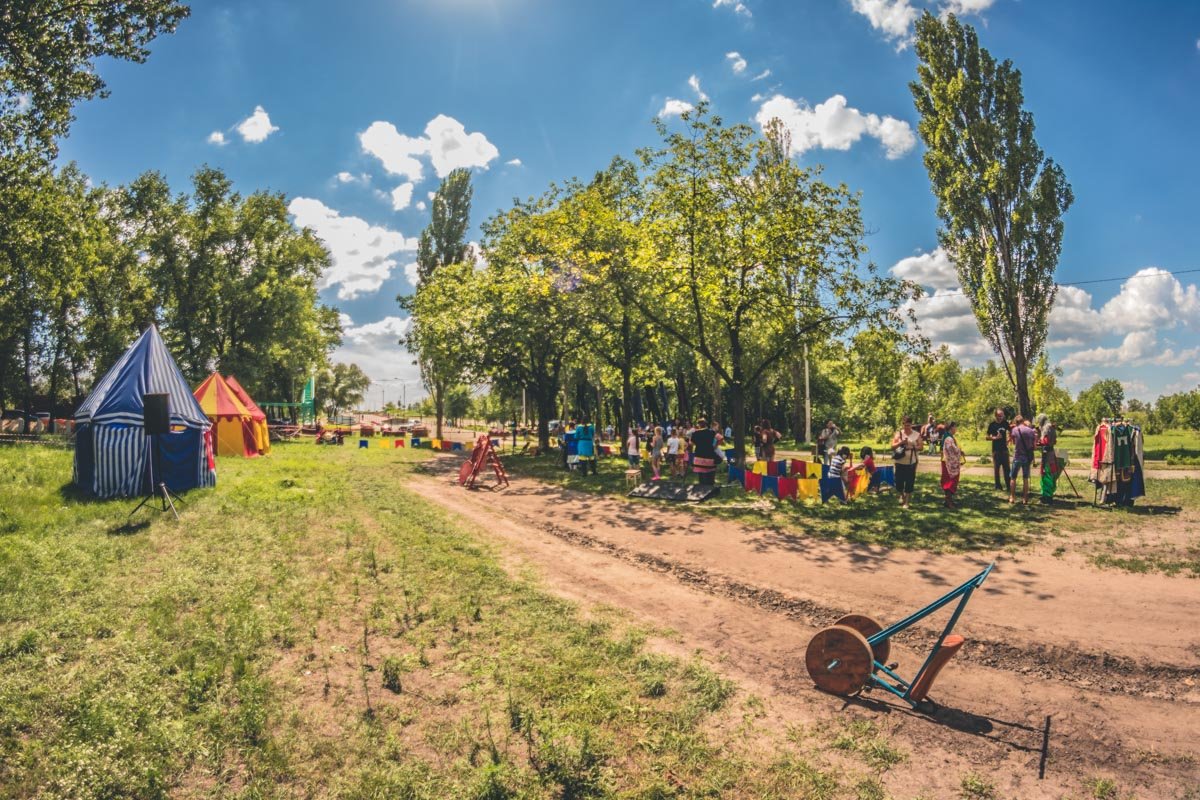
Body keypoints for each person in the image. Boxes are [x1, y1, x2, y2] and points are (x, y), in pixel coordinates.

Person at [890, 415, 922, 509]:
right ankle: (902, 495)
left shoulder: (916, 434)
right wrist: (901, 443)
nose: (907, 427)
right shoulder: (898, 434)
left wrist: (912, 447)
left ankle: (906, 502)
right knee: (899, 482)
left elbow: (921, 447)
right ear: (902, 424)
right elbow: (892, 446)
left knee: (909, 482)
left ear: (911, 424)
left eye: (908, 425)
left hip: (911, 462)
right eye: (905, 425)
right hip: (899, 461)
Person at [1009, 415, 1037, 505]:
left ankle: (1012, 497)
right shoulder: (1030, 431)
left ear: (1016, 422)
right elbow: (1034, 446)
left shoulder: (1015, 430)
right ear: (1023, 421)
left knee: (1013, 478)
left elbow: (1013, 441)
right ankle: (1025, 499)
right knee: (1025, 479)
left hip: (1017, 456)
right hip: (1027, 458)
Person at [986, 408, 1011, 492]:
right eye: (999, 416)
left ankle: (1009, 485)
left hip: (1004, 449)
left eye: (1002, 416)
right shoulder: (992, 425)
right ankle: (998, 486)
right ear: (995, 416)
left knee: (1007, 468)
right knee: (997, 469)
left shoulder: (1005, 423)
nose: (1001, 417)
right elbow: (987, 437)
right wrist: (995, 437)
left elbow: (1011, 431)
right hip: (996, 450)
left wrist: (1009, 439)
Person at [1036, 413, 1059, 505]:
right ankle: (1045, 494)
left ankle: (1047, 496)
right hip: (1050, 452)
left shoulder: (1046, 427)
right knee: (1047, 474)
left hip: (1047, 454)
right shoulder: (1050, 426)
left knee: (1047, 474)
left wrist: (1038, 443)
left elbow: (1045, 441)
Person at [690, 417, 719, 485]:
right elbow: (720, 438)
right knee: (710, 473)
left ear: (699, 425)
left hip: (699, 456)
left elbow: (691, 444)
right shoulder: (712, 432)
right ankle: (710, 487)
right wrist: (715, 447)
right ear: (706, 424)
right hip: (709, 456)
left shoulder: (695, 433)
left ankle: (702, 488)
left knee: (701, 475)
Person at [941, 421, 963, 509]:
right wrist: (959, 451)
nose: (956, 429)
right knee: (949, 482)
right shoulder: (948, 438)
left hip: (948, 462)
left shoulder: (949, 437)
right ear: (951, 428)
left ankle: (948, 501)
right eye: (955, 427)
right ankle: (948, 501)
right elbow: (952, 450)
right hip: (948, 463)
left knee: (951, 481)